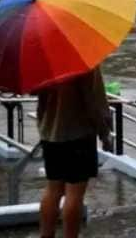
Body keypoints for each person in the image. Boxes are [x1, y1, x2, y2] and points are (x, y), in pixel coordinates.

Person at [36, 67, 112, 238]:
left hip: (50, 134)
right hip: (78, 134)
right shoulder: (84, 62)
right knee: (75, 193)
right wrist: (104, 133)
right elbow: (94, 101)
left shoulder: (43, 60)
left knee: (53, 189)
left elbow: (34, 91)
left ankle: (45, 235)